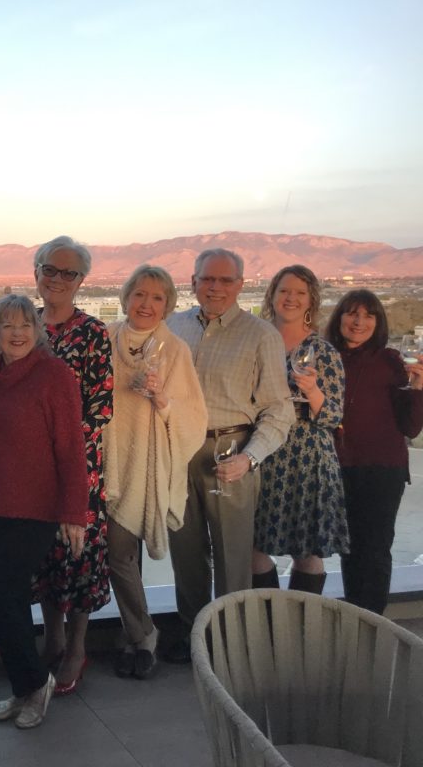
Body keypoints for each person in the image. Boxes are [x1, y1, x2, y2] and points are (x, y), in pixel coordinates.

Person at [164, 248, 294, 663]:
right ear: (193, 282)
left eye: (224, 280)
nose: (215, 287)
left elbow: (279, 408)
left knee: (232, 555)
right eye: (207, 279)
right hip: (178, 451)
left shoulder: (260, 335)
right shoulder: (173, 327)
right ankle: (194, 637)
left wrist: (250, 458)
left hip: (231, 450)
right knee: (184, 552)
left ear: (240, 284)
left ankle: (231, 645)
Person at [0, 295, 89, 729]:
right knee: (14, 598)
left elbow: (71, 448)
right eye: (7, 325)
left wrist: (75, 511)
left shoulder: (53, 375)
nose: (16, 333)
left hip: (36, 508)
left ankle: (37, 682)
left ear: (37, 331)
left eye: (24, 325)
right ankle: (23, 688)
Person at [104, 265, 207, 680]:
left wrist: (162, 400)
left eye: (157, 297)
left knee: (118, 553)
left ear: (168, 304)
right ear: (127, 297)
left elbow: (193, 415)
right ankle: (138, 632)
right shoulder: (105, 338)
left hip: (146, 466)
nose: (147, 304)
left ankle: (142, 635)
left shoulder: (175, 350)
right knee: (114, 555)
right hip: (107, 464)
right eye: (140, 294)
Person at [28, 235, 112, 696]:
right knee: (43, 552)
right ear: (35, 272)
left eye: (68, 272)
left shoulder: (93, 333)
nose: (57, 279)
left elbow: (101, 408)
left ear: (82, 280)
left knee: (79, 553)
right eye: (49, 269)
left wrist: (57, 440)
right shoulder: (25, 326)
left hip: (79, 467)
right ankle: (52, 636)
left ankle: (76, 646)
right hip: (32, 468)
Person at [323, 290, 423, 613]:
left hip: (382, 470)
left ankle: (372, 625)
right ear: (339, 317)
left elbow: (411, 426)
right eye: (352, 313)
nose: (359, 321)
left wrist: (420, 388)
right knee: (349, 550)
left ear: (377, 322)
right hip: (338, 468)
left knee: (376, 551)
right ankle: (356, 616)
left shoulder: (390, 361)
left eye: (368, 315)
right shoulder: (325, 358)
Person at [252, 266, 349, 594]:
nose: (290, 298)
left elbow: (333, 416)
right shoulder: (258, 342)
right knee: (254, 546)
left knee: (307, 551)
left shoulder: (324, 352)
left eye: (299, 293)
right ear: (272, 296)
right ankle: (267, 626)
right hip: (263, 453)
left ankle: (298, 629)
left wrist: (312, 391)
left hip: (308, 459)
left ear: (311, 301)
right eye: (284, 291)